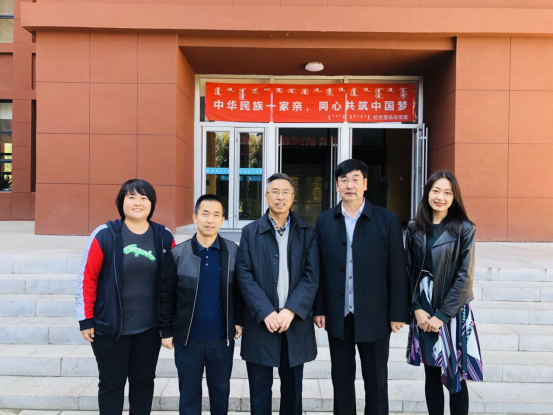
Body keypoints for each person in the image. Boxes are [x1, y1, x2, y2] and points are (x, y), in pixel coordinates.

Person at [314, 159, 408, 415]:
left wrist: (398, 313)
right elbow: (318, 269)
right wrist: (319, 308)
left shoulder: (387, 220)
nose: (350, 185)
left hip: (375, 316)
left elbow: (397, 270)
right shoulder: (324, 220)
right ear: (336, 186)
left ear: (365, 184)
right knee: (341, 380)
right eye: (343, 180)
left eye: (355, 180)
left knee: (376, 382)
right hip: (338, 315)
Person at [75, 179, 175, 415]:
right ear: (122, 202)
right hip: (110, 328)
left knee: (143, 383)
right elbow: (87, 278)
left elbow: (173, 282)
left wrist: (169, 324)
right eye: (131, 197)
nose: (137, 203)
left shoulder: (163, 236)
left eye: (144, 198)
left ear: (152, 204)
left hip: (149, 327)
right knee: (111, 384)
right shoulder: (105, 234)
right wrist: (85, 319)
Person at [237, 172, 319, 415]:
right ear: (266, 196)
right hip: (261, 322)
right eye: (274, 192)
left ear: (293, 197)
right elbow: (244, 275)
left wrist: (290, 310)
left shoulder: (307, 232)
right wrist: (266, 312)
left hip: (294, 322)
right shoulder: (250, 232)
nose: (280, 197)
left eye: (285, 192)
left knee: (293, 391)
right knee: (259, 390)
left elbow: (311, 276)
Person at [405, 170, 482, 415]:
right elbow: (407, 270)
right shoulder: (414, 228)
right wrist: (416, 307)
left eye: (447, 193)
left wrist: (442, 315)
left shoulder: (465, 229)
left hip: (453, 312)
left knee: (456, 376)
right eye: (436, 191)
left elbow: (465, 277)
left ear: (454, 197)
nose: (440, 197)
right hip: (423, 311)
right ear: (427, 193)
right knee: (431, 374)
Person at [158, 194, 243, 415]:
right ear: (195, 217)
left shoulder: (233, 252)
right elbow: (166, 296)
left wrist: (239, 320)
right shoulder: (178, 254)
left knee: (220, 391)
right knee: (189, 394)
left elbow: (239, 291)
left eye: (216, 215)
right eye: (205, 214)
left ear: (222, 219)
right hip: (188, 339)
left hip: (221, 338)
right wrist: (166, 331)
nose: (210, 219)